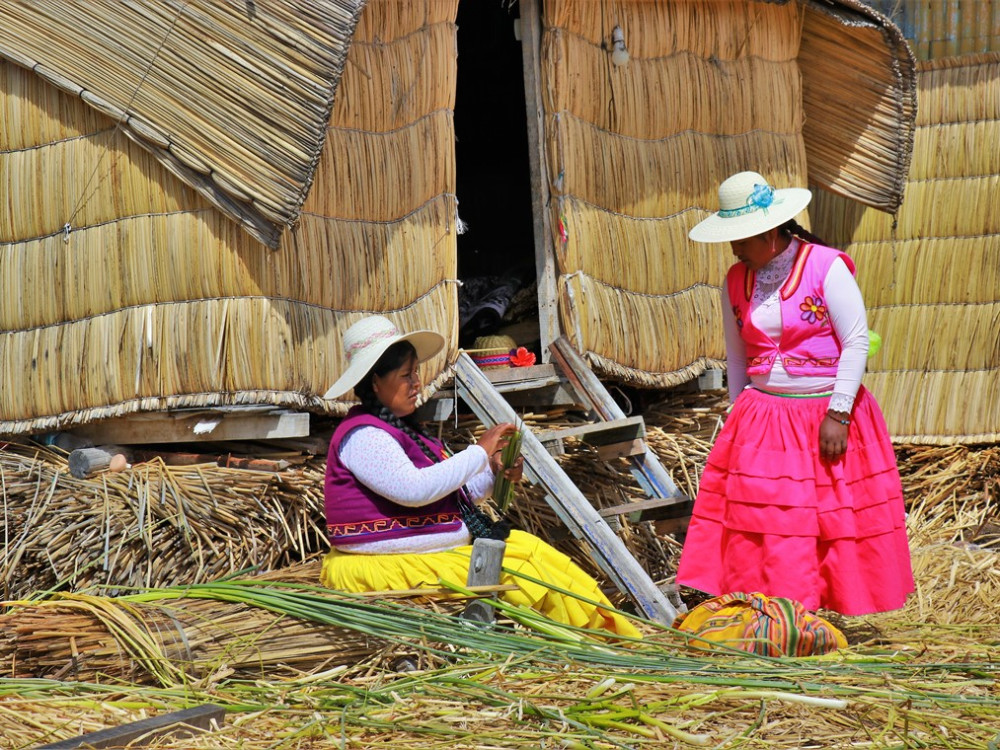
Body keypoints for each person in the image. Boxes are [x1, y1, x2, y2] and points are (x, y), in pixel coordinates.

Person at [675, 171, 914, 616]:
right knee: (768, 520)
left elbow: (856, 341)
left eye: (741, 241)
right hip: (764, 418)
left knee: (821, 518)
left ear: (767, 233)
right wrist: (739, 414)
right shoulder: (736, 279)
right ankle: (771, 614)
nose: (734, 249)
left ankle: (813, 612)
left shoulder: (827, 267)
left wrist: (839, 414)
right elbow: (736, 351)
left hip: (824, 414)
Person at [320, 314, 640, 637]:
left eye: (416, 372)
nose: (417, 382)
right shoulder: (362, 436)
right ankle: (595, 641)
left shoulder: (403, 430)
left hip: (425, 557)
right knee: (526, 568)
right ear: (375, 382)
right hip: (392, 569)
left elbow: (453, 494)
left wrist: (495, 472)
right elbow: (414, 490)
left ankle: (612, 634)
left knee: (535, 553)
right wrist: (479, 452)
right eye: (406, 375)